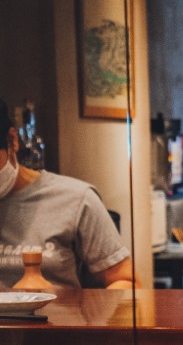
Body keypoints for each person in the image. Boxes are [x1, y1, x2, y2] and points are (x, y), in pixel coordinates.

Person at [0, 100, 135, 289]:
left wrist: (73, 308)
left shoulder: (76, 199)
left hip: (61, 317)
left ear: (12, 141)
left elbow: (126, 282)